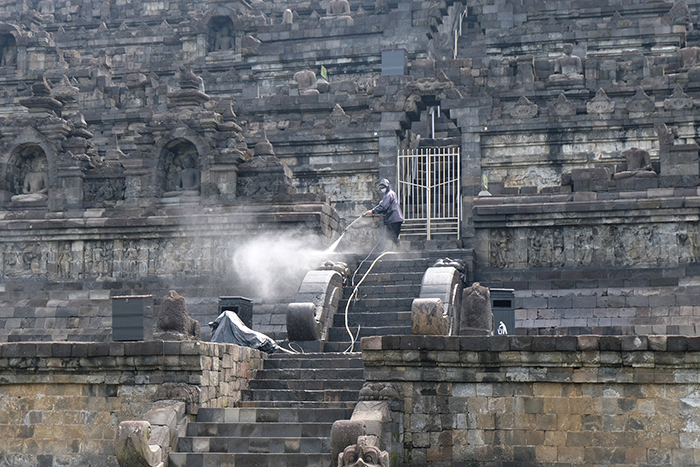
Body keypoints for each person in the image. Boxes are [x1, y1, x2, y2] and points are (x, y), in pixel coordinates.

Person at [365, 178, 404, 248]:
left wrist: (372, 211)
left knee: (390, 235)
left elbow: (383, 207)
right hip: (397, 218)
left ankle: (398, 248)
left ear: (387, 186)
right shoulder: (392, 193)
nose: (382, 189)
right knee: (394, 236)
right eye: (381, 187)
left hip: (392, 218)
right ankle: (395, 249)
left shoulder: (388, 195)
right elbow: (388, 203)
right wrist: (383, 202)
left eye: (383, 187)